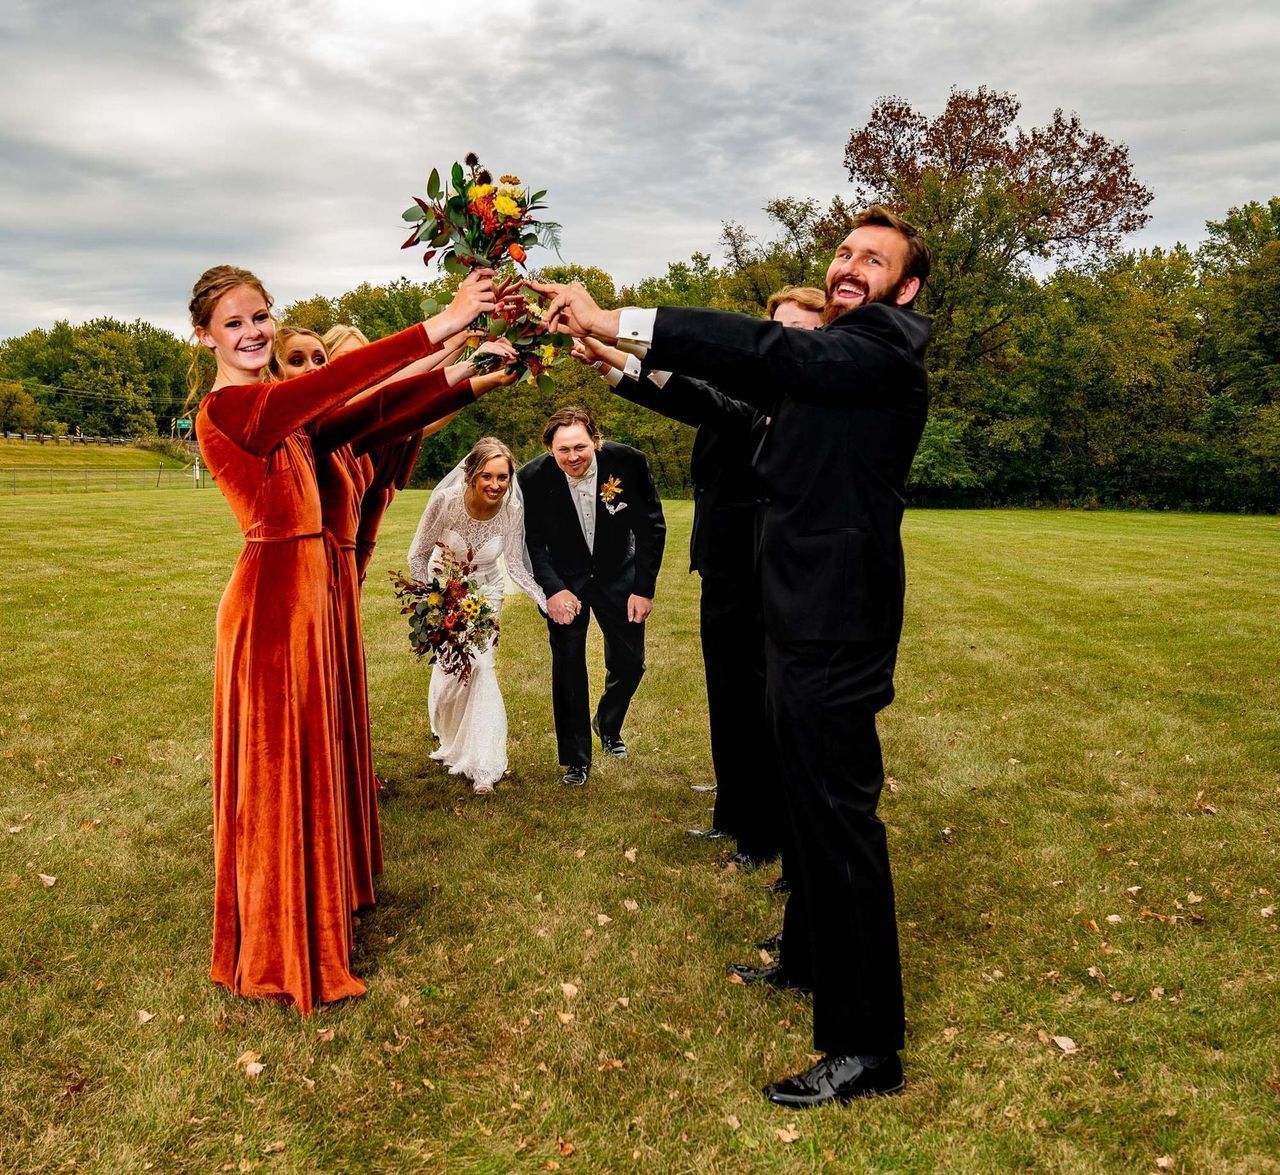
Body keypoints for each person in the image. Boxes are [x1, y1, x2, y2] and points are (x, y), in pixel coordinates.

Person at [529, 205, 932, 1105]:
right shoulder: (832, 370)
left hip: (837, 627)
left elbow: (764, 352)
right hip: (798, 620)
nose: (848, 266)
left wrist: (615, 319)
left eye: (873, 258)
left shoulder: (881, 352)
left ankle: (869, 1046)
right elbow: (732, 392)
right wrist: (621, 362)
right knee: (804, 802)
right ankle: (807, 956)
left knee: (840, 822)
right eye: (842, 251)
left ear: (904, 288)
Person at [191, 262, 498, 1013]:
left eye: (261, 315)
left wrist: (469, 374)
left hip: (310, 600)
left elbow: (373, 412)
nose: (254, 331)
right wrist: (440, 324)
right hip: (270, 605)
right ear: (204, 337)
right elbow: (335, 384)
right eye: (235, 322)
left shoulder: (279, 410)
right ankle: (275, 940)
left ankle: (323, 904)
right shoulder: (235, 408)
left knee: (312, 760)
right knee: (277, 773)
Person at [576, 285, 824, 872]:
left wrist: (613, 346)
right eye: (778, 328)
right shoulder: (756, 384)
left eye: (800, 331)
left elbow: (696, 398)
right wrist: (606, 355)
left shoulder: (801, 395)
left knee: (760, 702)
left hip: (763, 565)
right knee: (729, 696)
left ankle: (766, 834)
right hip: (723, 563)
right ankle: (736, 816)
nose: (784, 341)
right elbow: (689, 397)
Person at [271, 322, 515, 905]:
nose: (353, 371)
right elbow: (393, 398)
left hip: (352, 555)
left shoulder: (364, 425)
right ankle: (326, 784)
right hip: (323, 558)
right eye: (312, 361)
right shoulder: (323, 426)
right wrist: (456, 348)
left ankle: (348, 777)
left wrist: (471, 369)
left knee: (341, 678)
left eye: (328, 360)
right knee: (320, 677)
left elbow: (417, 411)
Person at [517, 406, 666, 787]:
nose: (573, 457)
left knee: (631, 663)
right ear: (550, 449)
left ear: (595, 441)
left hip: (619, 573)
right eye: (563, 449)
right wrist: (553, 590)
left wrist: (643, 589)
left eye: (580, 447)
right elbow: (531, 542)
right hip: (567, 580)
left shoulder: (628, 462)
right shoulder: (531, 479)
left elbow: (650, 526)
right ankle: (576, 758)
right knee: (568, 667)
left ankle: (608, 724)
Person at [406, 437, 546, 793]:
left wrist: (543, 599)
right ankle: (450, 740)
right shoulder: (446, 501)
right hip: (445, 592)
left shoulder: (512, 507)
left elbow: (514, 563)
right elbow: (417, 556)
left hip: (488, 594)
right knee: (452, 673)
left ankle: (484, 764)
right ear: (470, 475)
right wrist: (430, 604)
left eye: (503, 477)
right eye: (487, 476)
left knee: (481, 668)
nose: (496, 485)